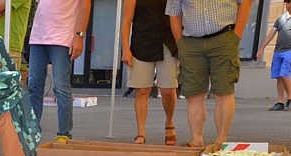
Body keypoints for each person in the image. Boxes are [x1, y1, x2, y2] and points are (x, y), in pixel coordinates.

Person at [166, 0, 254, 147]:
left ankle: (221, 142)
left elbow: (246, 2)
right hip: (190, 42)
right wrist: (180, 42)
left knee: (223, 92)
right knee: (193, 95)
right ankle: (196, 141)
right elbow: (173, 12)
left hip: (224, 38)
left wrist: (237, 34)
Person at [27, 0, 91, 142]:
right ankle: (32, 129)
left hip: (62, 36)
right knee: (34, 84)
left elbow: (85, 4)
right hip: (39, 35)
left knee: (61, 86)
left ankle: (64, 132)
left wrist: (79, 36)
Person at [121, 0, 178, 145]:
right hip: (141, 43)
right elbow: (127, 21)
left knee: (168, 91)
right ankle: (140, 132)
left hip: (167, 42)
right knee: (142, 91)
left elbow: (178, 16)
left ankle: (169, 122)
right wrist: (125, 49)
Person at [257, 0, 291, 111]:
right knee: (278, 77)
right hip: (278, 51)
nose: (286, 4)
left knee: (284, 74)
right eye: (285, 2)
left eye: (288, 2)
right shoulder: (280, 19)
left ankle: (290, 99)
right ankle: (280, 102)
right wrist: (262, 48)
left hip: (289, 51)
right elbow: (271, 34)